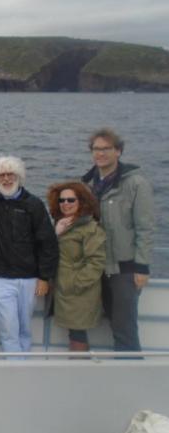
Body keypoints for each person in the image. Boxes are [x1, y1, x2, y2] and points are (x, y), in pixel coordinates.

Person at [82, 128, 154, 351]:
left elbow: (145, 227)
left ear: (118, 152)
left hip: (124, 269)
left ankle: (132, 375)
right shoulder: (86, 185)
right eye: (96, 149)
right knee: (91, 320)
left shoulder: (136, 184)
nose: (100, 154)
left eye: (106, 149)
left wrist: (141, 267)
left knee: (124, 328)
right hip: (95, 268)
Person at [0, 156, 59, 355]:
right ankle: (16, 371)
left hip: (29, 278)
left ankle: (23, 369)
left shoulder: (33, 204)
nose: (6, 179)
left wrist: (44, 277)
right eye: (1, 175)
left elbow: (47, 242)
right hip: (1, 278)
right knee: (8, 330)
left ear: (19, 177)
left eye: (11, 174)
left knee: (24, 328)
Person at [46, 181, 106, 351]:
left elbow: (96, 262)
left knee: (77, 334)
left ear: (81, 201)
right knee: (73, 333)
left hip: (79, 291)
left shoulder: (90, 227)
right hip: (63, 290)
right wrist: (55, 233)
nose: (65, 204)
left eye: (71, 200)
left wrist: (75, 284)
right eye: (62, 200)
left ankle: (78, 370)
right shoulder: (61, 225)